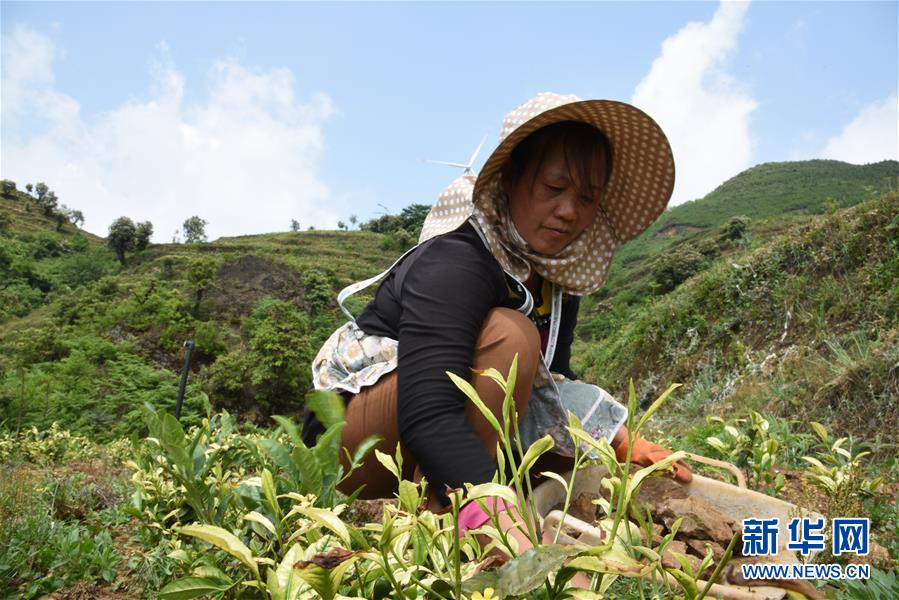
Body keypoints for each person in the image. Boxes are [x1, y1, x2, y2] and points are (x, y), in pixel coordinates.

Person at [305, 92, 691, 544]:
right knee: (510, 336)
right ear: (509, 178)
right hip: (351, 445)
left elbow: (552, 385)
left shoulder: (553, 280)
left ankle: (481, 503)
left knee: (567, 452)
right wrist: (494, 515)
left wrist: (620, 439)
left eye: (587, 197)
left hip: (429, 427)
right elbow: (428, 409)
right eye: (554, 188)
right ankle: (453, 521)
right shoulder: (457, 261)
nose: (569, 211)